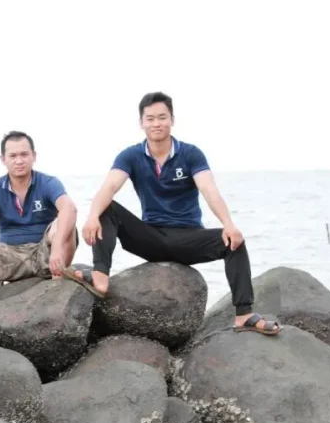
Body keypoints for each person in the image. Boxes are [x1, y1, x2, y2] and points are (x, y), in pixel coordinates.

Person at [71, 91, 282, 335]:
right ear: (141, 123)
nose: (156, 123)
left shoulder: (190, 154)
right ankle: (100, 276)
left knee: (234, 242)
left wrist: (228, 224)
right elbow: (109, 186)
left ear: (172, 119)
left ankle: (243, 314)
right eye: (150, 118)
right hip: (151, 238)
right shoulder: (131, 155)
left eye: (162, 117)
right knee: (106, 207)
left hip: (187, 239)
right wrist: (92, 216)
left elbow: (209, 189)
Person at [0, 131, 84, 290]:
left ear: (34, 156)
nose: (19, 161)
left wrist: (56, 250)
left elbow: (69, 208)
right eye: (13, 156)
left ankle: (57, 285)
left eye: (24, 154)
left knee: (65, 221)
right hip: (10, 257)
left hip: (46, 255)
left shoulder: (48, 183)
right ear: (3, 159)